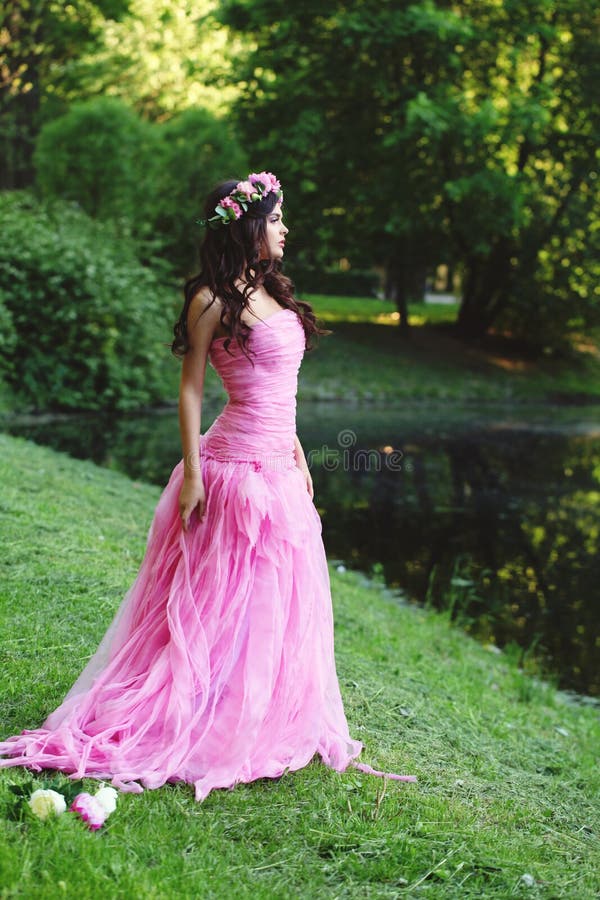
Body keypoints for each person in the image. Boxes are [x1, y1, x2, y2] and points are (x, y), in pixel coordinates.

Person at [0, 172, 416, 801]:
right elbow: (192, 388)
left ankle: (254, 711)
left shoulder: (271, 291)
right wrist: (193, 471)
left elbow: (280, 393)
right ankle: (198, 712)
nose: (285, 229)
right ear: (249, 225)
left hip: (279, 464)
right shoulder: (211, 299)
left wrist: (299, 449)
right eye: (276, 219)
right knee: (225, 595)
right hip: (233, 469)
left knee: (271, 599)